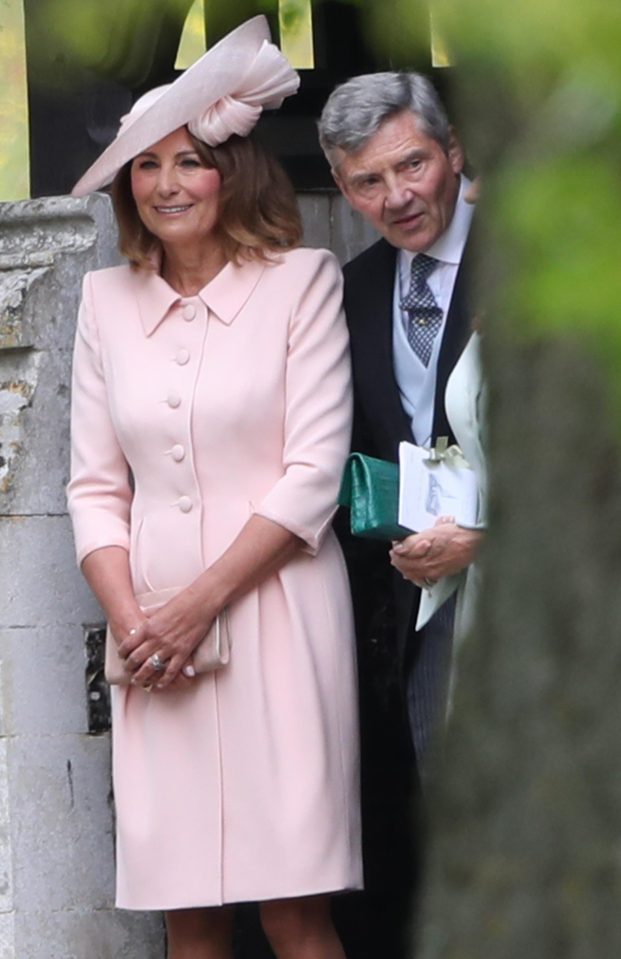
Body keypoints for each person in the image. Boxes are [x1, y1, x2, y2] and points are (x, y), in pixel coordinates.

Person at [67, 17, 361, 959]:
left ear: (230, 172)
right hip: (151, 638)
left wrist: (196, 605)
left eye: (188, 160)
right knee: (186, 911)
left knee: (294, 906)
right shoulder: (104, 303)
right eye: (144, 167)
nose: (164, 184)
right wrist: (137, 623)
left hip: (278, 611)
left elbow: (313, 471)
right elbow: (92, 486)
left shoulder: (302, 281)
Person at [318, 72, 482, 956]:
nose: (398, 195)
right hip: (399, 620)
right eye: (367, 182)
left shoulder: (536, 262)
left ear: (451, 152)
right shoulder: (348, 290)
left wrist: (485, 535)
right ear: (341, 189)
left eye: (411, 163)